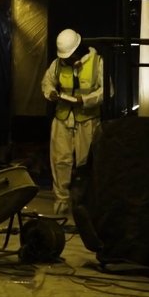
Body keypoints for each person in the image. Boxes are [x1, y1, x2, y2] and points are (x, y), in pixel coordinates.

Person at [40, 28, 107, 217]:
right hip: (63, 118)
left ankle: (84, 203)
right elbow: (47, 82)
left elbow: (106, 91)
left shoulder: (97, 62)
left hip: (88, 120)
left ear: (78, 49)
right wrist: (51, 93)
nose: (67, 60)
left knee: (85, 163)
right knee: (60, 160)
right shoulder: (57, 64)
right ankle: (61, 202)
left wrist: (84, 101)